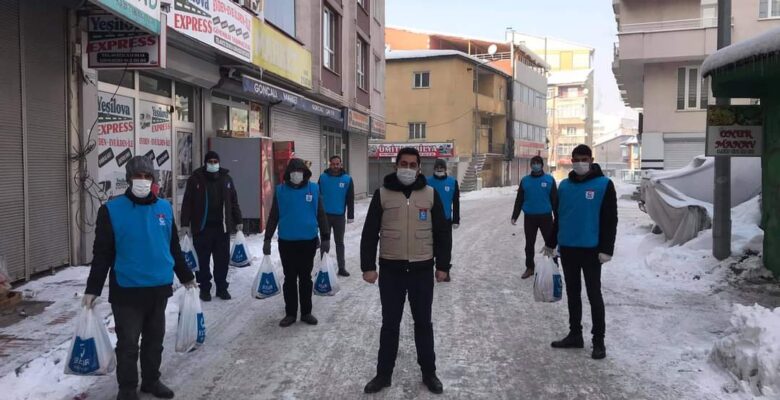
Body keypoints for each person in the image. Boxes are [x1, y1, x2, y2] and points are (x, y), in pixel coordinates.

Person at [83, 156, 198, 400]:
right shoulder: (111, 211)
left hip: (158, 287)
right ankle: (127, 388)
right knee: (128, 344)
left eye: (147, 177)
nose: (143, 181)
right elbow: (102, 254)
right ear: (128, 179)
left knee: (154, 341)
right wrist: (92, 289)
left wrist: (186, 276)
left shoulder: (165, 208)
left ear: (154, 180)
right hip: (127, 289)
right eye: (138, 176)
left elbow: (173, 247)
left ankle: (151, 381)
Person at [360, 147, 451, 395]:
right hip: (391, 270)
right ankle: (383, 374)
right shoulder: (382, 194)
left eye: (413, 165)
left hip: (422, 269)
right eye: (404, 164)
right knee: (390, 324)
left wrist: (443, 265)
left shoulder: (430, 194)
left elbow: (443, 233)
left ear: (420, 168)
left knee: (423, 323)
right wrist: (368, 266)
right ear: (395, 166)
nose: (408, 169)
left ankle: (429, 373)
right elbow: (369, 233)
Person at [544, 144, 617, 360]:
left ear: (591, 159)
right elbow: (559, 217)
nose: (580, 163)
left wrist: (606, 249)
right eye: (576, 159)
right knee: (573, 295)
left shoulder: (604, 185)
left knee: (594, 295)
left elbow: (610, 220)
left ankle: (598, 341)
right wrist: (550, 243)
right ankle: (575, 334)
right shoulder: (564, 186)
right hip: (568, 248)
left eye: (584, 159)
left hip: (592, 250)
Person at [263, 158, 330, 327]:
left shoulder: (313, 189)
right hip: (287, 242)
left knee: (306, 278)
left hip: (308, 242)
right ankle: (290, 313)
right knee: (290, 278)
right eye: (293, 171)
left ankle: (306, 312)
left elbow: (321, 214)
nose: (296, 174)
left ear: (305, 173)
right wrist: (267, 238)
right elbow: (273, 216)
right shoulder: (280, 191)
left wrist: (326, 237)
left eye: (299, 171)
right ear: (288, 174)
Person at [180, 151, 243, 302]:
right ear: (205, 163)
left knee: (222, 260)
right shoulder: (196, 179)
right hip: (202, 228)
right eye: (210, 161)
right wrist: (184, 223)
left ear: (219, 162)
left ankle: (222, 288)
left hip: (222, 228)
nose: (213, 164)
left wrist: (238, 219)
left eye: (216, 161)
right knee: (202, 261)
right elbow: (187, 202)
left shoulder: (226, 179)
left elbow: (233, 201)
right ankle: (205, 289)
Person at [511, 155, 557, 279]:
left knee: (551, 243)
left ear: (542, 165)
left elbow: (554, 200)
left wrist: (557, 217)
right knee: (529, 244)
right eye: (533, 163)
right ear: (531, 166)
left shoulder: (549, 180)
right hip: (530, 217)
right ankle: (530, 267)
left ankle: (554, 267)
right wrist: (515, 215)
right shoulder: (525, 180)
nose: (535, 165)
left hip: (546, 217)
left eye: (538, 163)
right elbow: (519, 199)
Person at [318, 155, 355, 277]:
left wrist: (350, 215)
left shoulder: (347, 179)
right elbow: (317, 196)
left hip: (339, 216)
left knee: (339, 243)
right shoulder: (322, 178)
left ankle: (341, 267)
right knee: (325, 243)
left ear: (341, 164)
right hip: (324, 216)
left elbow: (350, 198)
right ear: (330, 164)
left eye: (337, 164)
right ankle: (323, 267)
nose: (335, 166)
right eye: (333, 164)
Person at [426, 158, 460, 282]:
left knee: (445, 248)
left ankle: (444, 270)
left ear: (445, 169)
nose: (439, 169)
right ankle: (427, 272)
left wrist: (456, 219)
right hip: (429, 221)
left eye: (441, 167)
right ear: (434, 169)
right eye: (437, 167)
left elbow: (455, 202)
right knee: (429, 247)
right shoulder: (427, 182)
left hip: (445, 221)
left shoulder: (452, 182)